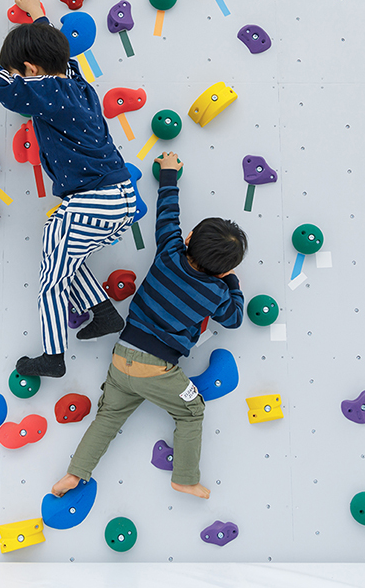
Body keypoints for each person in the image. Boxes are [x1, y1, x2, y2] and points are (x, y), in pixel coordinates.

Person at [51, 151, 247, 499]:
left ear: (188, 240)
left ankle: (74, 473)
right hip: (157, 369)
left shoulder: (170, 249)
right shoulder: (217, 291)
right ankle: (184, 477)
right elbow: (233, 319)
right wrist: (233, 284)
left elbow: (168, 212)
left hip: (122, 356)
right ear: (222, 270)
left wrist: (169, 174)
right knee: (191, 411)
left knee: (107, 420)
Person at [0, 0, 137, 378]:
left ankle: (53, 355)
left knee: (51, 281)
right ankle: (105, 312)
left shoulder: (46, 90)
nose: (21, 81)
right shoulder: (78, 83)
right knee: (64, 257)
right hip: (120, 198)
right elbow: (60, 56)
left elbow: (6, 88)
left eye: (21, 72)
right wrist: (39, 17)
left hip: (92, 200)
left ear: (30, 69)